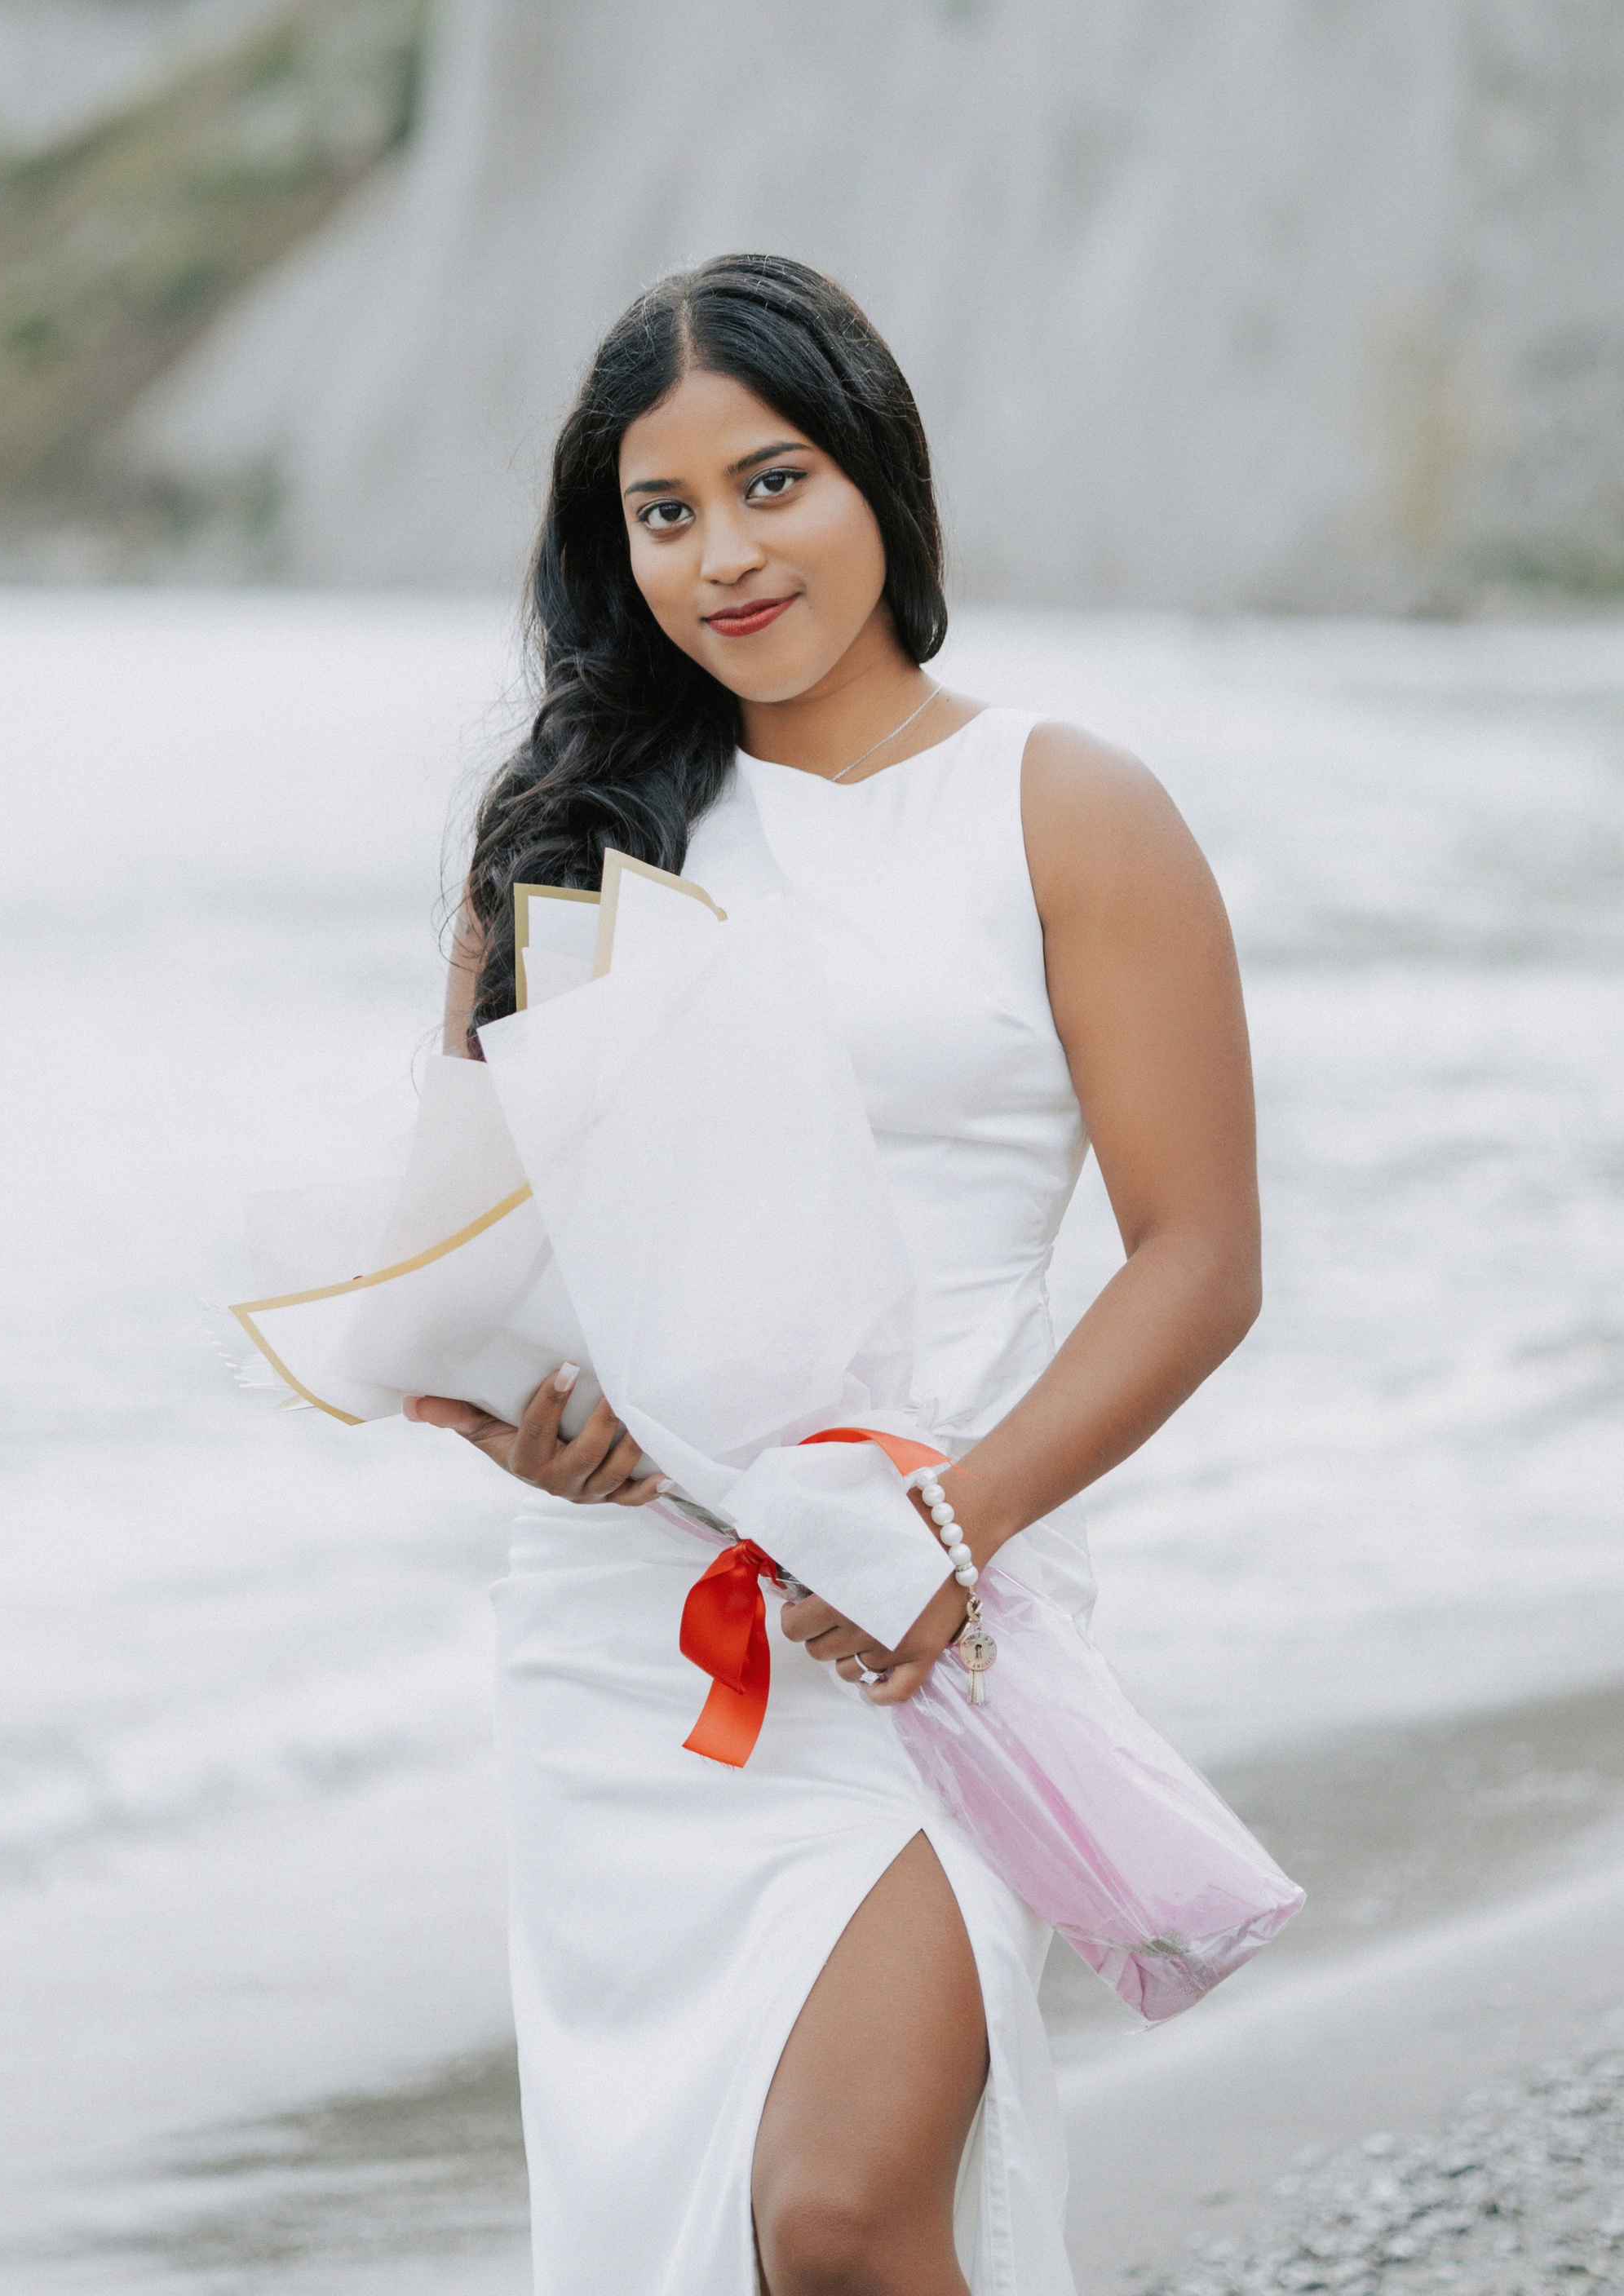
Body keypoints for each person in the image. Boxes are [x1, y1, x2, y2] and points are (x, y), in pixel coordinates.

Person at [409, 254, 1260, 2296]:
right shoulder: (567, 849)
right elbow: (461, 1267)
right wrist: (521, 1424)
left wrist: (949, 1525)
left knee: (836, 2211)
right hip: (633, 1654)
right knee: (692, 2240)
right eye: (663, 511)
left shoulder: (1060, 806)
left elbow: (1199, 1258)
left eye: (770, 480)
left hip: (934, 1628)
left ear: (877, 473)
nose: (724, 553)